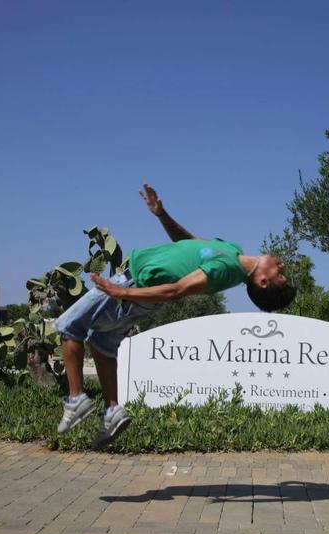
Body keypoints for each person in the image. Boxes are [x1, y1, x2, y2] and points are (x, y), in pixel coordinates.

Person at [53, 183, 296, 449]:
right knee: (101, 344)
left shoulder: (226, 270)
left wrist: (120, 291)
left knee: (70, 327)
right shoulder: (231, 252)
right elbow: (186, 242)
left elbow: (175, 291)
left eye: (280, 275)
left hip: (135, 286)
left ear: (263, 282)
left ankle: (75, 399)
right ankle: (112, 411)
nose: (281, 265)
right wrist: (161, 214)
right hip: (134, 288)